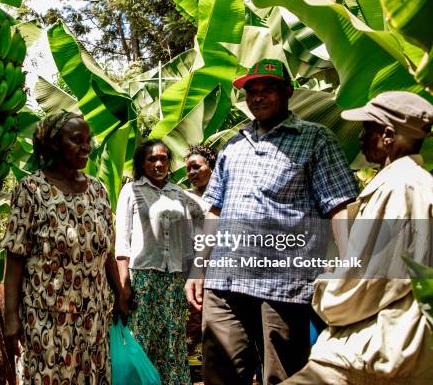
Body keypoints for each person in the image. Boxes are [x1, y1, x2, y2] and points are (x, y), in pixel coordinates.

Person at [185, 58, 359, 384]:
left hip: (284, 282)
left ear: (288, 92)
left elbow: (337, 206)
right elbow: (215, 211)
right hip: (224, 282)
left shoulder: (315, 139)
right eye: (253, 91)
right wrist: (198, 268)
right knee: (220, 374)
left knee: (283, 376)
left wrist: (350, 263)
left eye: (268, 89)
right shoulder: (233, 146)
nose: (259, 97)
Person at [282, 91, 433, 384]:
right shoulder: (415, 182)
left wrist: (325, 291)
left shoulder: (399, 187)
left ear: (388, 135)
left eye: (367, 129)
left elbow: (370, 281)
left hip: (372, 348)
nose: (361, 137)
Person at [2, 111, 127, 384]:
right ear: (54, 144)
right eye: (76, 139)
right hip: (45, 315)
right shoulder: (31, 190)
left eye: (88, 140)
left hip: (92, 316)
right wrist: (10, 316)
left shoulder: (98, 190)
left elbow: (105, 250)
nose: (86, 146)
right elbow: (15, 257)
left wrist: (119, 292)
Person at [115, 139, 204, 384]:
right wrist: (124, 286)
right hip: (142, 278)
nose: (158, 163)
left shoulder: (179, 194)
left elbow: (190, 240)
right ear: (141, 164)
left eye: (163, 158)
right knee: (141, 339)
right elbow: (122, 242)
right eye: (151, 159)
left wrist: (191, 278)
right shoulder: (132, 190)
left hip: (174, 280)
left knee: (172, 341)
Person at [183, 145, 217, 381]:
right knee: (194, 312)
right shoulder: (183, 197)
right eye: (188, 169)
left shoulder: (225, 195)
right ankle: (195, 365)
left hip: (222, 262)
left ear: (211, 167)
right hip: (193, 263)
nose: (192, 172)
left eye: (197, 166)